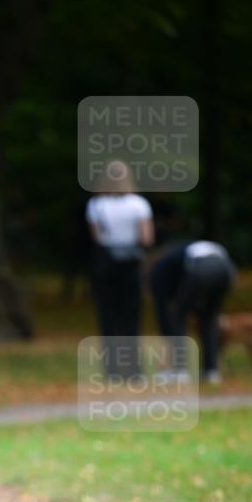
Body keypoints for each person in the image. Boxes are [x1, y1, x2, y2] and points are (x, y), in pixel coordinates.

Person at [85, 161, 155, 377]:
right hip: (130, 264)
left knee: (108, 316)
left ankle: (111, 369)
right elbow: (146, 238)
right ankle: (134, 369)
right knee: (131, 317)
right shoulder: (139, 204)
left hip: (105, 263)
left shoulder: (96, 205)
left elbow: (96, 238)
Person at [150, 240, 236, 384]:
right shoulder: (182, 252)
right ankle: (211, 371)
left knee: (178, 318)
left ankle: (180, 370)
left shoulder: (161, 266)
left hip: (200, 268)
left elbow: (162, 305)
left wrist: (167, 331)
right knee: (208, 318)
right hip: (227, 270)